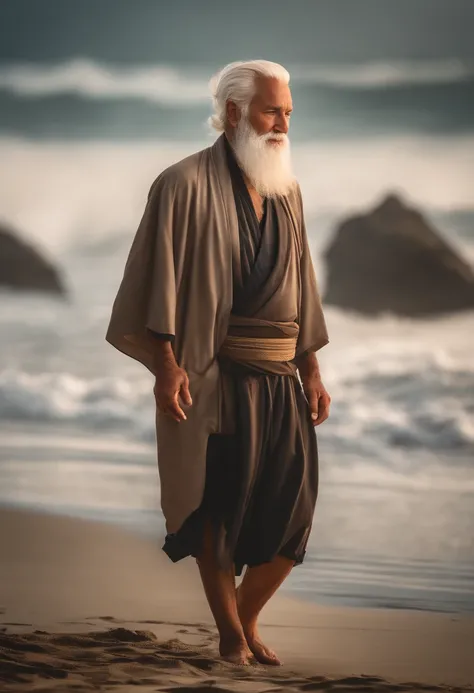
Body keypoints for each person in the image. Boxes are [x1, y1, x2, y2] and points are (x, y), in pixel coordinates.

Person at [106, 59, 331, 667]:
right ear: (234, 112)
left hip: (282, 373)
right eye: (271, 110)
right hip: (216, 373)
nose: (283, 122)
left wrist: (310, 368)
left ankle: (246, 618)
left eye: (288, 111)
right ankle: (232, 635)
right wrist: (166, 364)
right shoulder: (179, 184)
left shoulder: (288, 189)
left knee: (296, 512)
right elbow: (157, 284)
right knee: (219, 508)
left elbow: (302, 284)